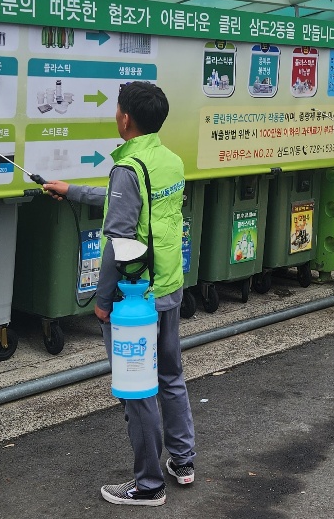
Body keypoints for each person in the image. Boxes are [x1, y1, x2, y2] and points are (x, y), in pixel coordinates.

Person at [43, 82, 195, 507]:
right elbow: (127, 204)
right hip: (167, 285)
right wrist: (71, 190)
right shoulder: (168, 160)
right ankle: (182, 462)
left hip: (134, 299)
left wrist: (104, 300)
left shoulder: (128, 168)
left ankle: (148, 485)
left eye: (117, 110)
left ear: (125, 118)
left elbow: (118, 240)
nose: (115, 114)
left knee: (137, 386)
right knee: (170, 375)